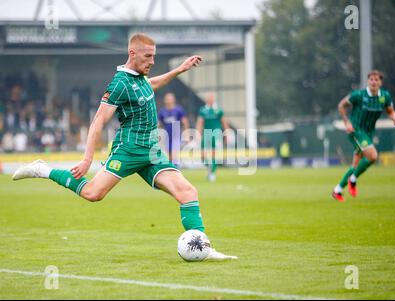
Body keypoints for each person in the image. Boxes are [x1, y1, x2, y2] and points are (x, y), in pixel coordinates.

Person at [12, 33, 236, 260]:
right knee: (92, 193)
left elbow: (152, 85)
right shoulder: (119, 83)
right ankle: (43, 170)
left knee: (188, 192)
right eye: (148, 56)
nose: (152, 61)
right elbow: (98, 120)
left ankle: (203, 248)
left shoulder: (141, 77)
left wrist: (179, 70)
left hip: (151, 151)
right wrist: (87, 159)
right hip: (128, 149)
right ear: (132, 54)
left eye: (154, 56)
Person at [332, 70, 395, 202]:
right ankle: (353, 179)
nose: (373, 82)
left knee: (355, 166)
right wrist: (347, 122)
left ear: (380, 83)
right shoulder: (359, 95)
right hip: (356, 131)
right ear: (368, 81)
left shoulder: (385, 96)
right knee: (373, 156)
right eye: (371, 79)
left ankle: (337, 190)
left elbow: (390, 111)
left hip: (368, 132)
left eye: (376, 80)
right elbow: (341, 105)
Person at [195, 93, 229, 182]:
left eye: (212, 98)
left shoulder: (218, 110)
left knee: (214, 153)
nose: (210, 99)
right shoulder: (203, 110)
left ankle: (212, 173)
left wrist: (227, 134)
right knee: (202, 156)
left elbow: (224, 122)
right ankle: (210, 166)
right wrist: (197, 133)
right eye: (209, 98)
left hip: (216, 134)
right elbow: (200, 122)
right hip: (206, 134)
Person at [158, 92, 189, 164]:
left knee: (174, 153)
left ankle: (176, 167)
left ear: (173, 100)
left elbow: (185, 122)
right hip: (167, 136)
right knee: (169, 155)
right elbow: (159, 123)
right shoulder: (162, 112)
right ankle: (173, 169)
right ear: (164, 100)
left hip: (176, 135)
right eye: (167, 99)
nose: (169, 100)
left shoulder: (178, 110)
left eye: (170, 99)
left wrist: (186, 134)